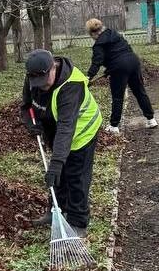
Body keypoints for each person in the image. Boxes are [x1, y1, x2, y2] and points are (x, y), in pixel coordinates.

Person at [20, 49, 102, 238]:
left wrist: (57, 164)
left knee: (76, 176)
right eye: (36, 83)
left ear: (52, 68)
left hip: (82, 130)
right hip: (57, 129)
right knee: (58, 176)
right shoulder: (34, 77)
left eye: (44, 82)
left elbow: (67, 127)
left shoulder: (71, 85)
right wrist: (31, 123)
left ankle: (78, 222)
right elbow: (26, 106)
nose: (41, 87)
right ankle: (54, 212)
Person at [85, 18, 157, 134]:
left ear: (92, 33)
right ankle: (151, 119)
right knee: (139, 92)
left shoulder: (99, 44)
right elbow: (122, 50)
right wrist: (110, 68)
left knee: (117, 97)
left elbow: (97, 61)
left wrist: (89, 76)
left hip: (119, 67)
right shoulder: (114, 34)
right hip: (133, 61)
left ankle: (114, 126)